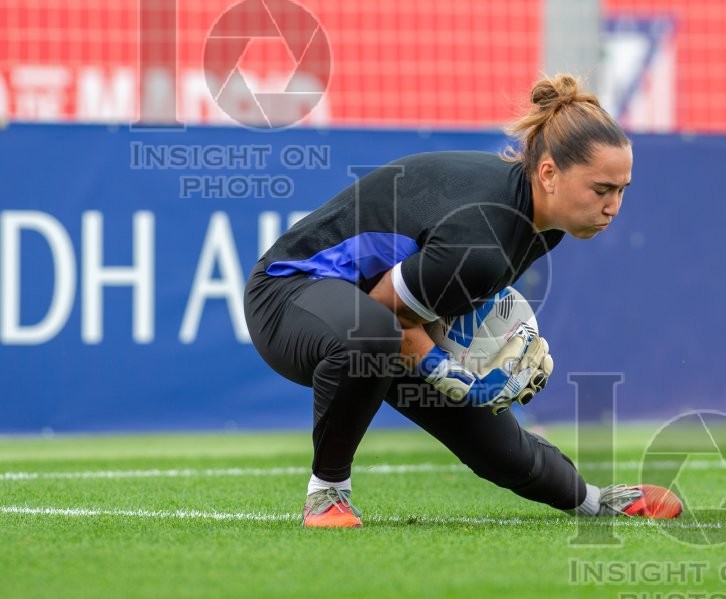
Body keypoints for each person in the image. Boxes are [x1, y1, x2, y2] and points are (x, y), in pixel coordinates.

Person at [243, 74, 682, 528]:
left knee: (493, 439)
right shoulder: (484, 239)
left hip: (368, 314)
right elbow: (386, 312)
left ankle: (593, 502)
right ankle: (327, 491)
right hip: (288, 296)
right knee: (376, 336)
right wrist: (445, 369)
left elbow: (418, 304)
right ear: (549, 174)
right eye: (602, 189)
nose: (614, 207)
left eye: (622, 190)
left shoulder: (541, 223)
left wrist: (466, 378)